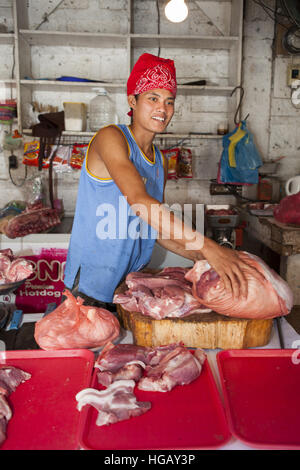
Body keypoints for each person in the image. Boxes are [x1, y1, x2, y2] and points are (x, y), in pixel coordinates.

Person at [64, 53, 262, 308]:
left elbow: (154, 229)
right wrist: (209, 247)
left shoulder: (159, 161)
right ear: (132, 101)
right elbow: (139, 201)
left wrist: (204, 258)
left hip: (128, 285)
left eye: (169, 101)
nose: (162, 109)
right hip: (90, 286)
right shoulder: (111, 138)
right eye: (153, 98)